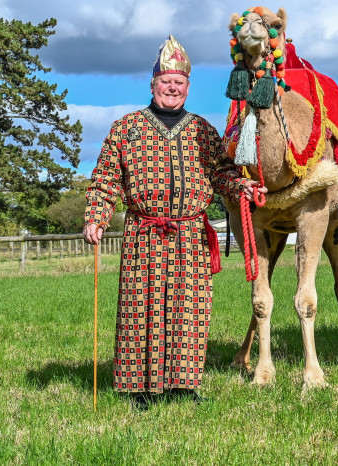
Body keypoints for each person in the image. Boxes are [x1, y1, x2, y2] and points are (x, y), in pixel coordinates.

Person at [84, 35, 264, 409]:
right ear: (153, 85)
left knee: (189, 310)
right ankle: (141, 389)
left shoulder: (202, 130)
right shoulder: (126, 128)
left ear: (187, 87)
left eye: (178, 82)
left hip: (191, 234)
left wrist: (242, 186)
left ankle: (184, 386)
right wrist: (97, 217)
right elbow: (105, 180)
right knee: (141, 308)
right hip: (143, 233)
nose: (172, 87)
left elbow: (222, 173)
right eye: (165, 81)